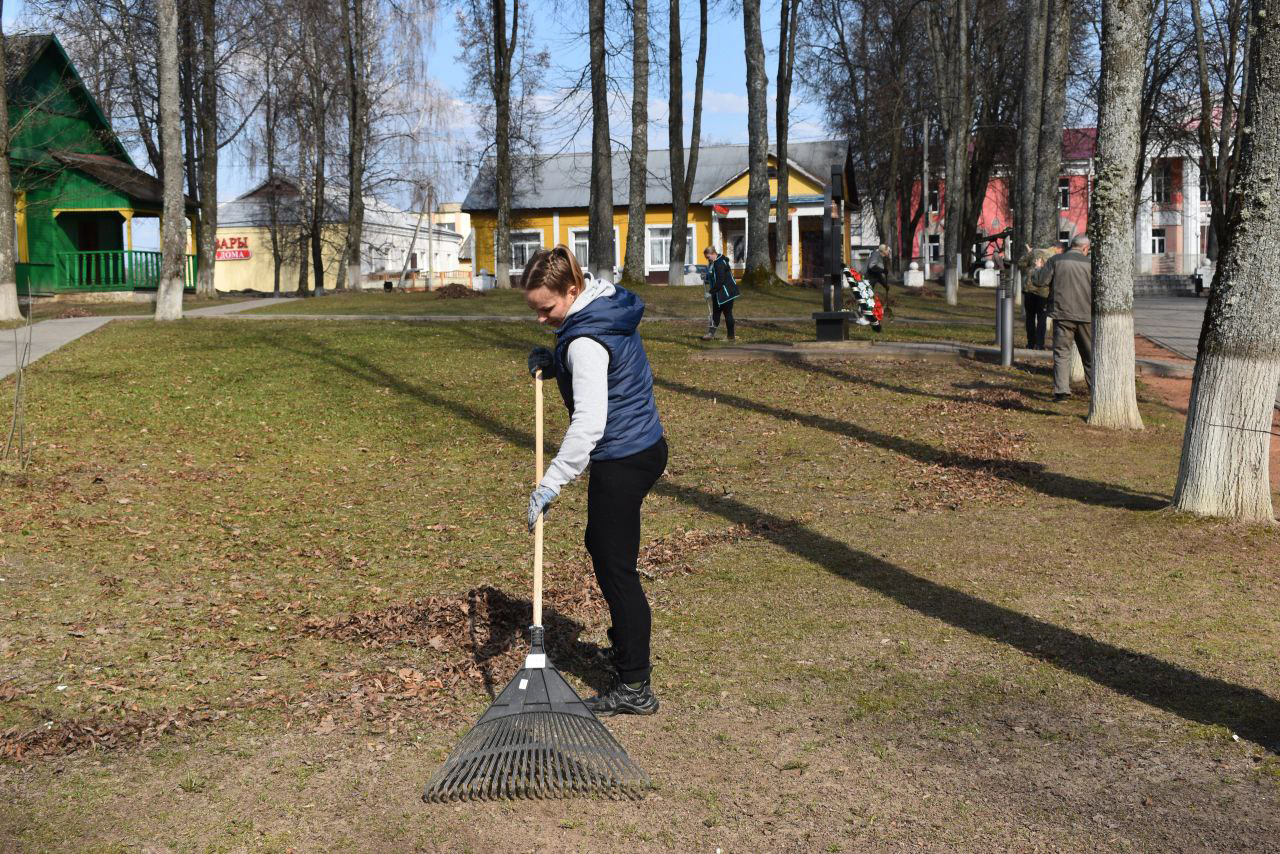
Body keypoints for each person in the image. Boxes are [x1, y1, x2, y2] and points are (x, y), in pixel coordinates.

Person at [523, 245, 669, 716]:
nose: (542, 318)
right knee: (606, 549)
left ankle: (634, 686)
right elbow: (603, 370)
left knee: (616, 567)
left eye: (547, 309)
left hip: (622, 455)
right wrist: (554, 359)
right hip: (643, 444)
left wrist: (551, 482)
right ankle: (628, 654)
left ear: (572, 289)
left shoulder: (586, 341)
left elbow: (588, 422)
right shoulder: (603, 307)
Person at [1038, 234, 1093, 401]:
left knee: (1062, 352)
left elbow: (1040, 281)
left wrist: (1036, 270)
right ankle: (1095, 390)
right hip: (1086, 314)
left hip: (1062, 313)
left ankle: (1061, 391)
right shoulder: (1091, 264)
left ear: (1071, 245)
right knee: (1090, 354)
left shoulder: (1056, 260)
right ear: (1085, 248)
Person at [1018, 245, 1054, 350]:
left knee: (1030, 318)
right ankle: (1039, 344)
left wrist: (1028, 253)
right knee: (1041, 319)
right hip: (1043, 293)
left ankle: (1030, 343)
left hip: (1029, 291)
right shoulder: (1050, 257)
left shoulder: (1031, 257)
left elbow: (1020, 264)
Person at [702, 245, 740, 340]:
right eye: (706, 257)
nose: (707, 259)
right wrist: (706, 278)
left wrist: (710, 292)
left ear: (713, 254)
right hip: (718, 292)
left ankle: (731, 336)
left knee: (727, 314)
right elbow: (713, 276)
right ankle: (711, 334)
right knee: (715, 314)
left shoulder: (720, 263)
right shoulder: (713, 262)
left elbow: (720, 280)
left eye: (708, 257)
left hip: (726, 293)